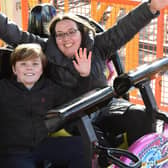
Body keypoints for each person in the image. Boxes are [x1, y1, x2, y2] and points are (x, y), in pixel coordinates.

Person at [0, 0, 168, 145]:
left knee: (141, 116)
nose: (66, 38)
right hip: (73, 115)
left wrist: (151, 7)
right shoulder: (46, 50)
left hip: (104, 106)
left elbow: (124, 28)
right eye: (60, 34)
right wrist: (84, 75)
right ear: (53, 38)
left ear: (82, 32)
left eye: (72, 32)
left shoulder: (98, 46)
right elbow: (14, 34)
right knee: (97, 143)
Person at [0, 43, 92, 168]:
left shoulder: (49, 88)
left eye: (35, 64)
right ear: (14, 69)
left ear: (42, 69)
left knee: (82, 147)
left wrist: (84, 76)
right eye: (23, 64)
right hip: (14, 152)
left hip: (41, 145)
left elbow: (76, 101)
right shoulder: (4, 89)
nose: (29, 68)